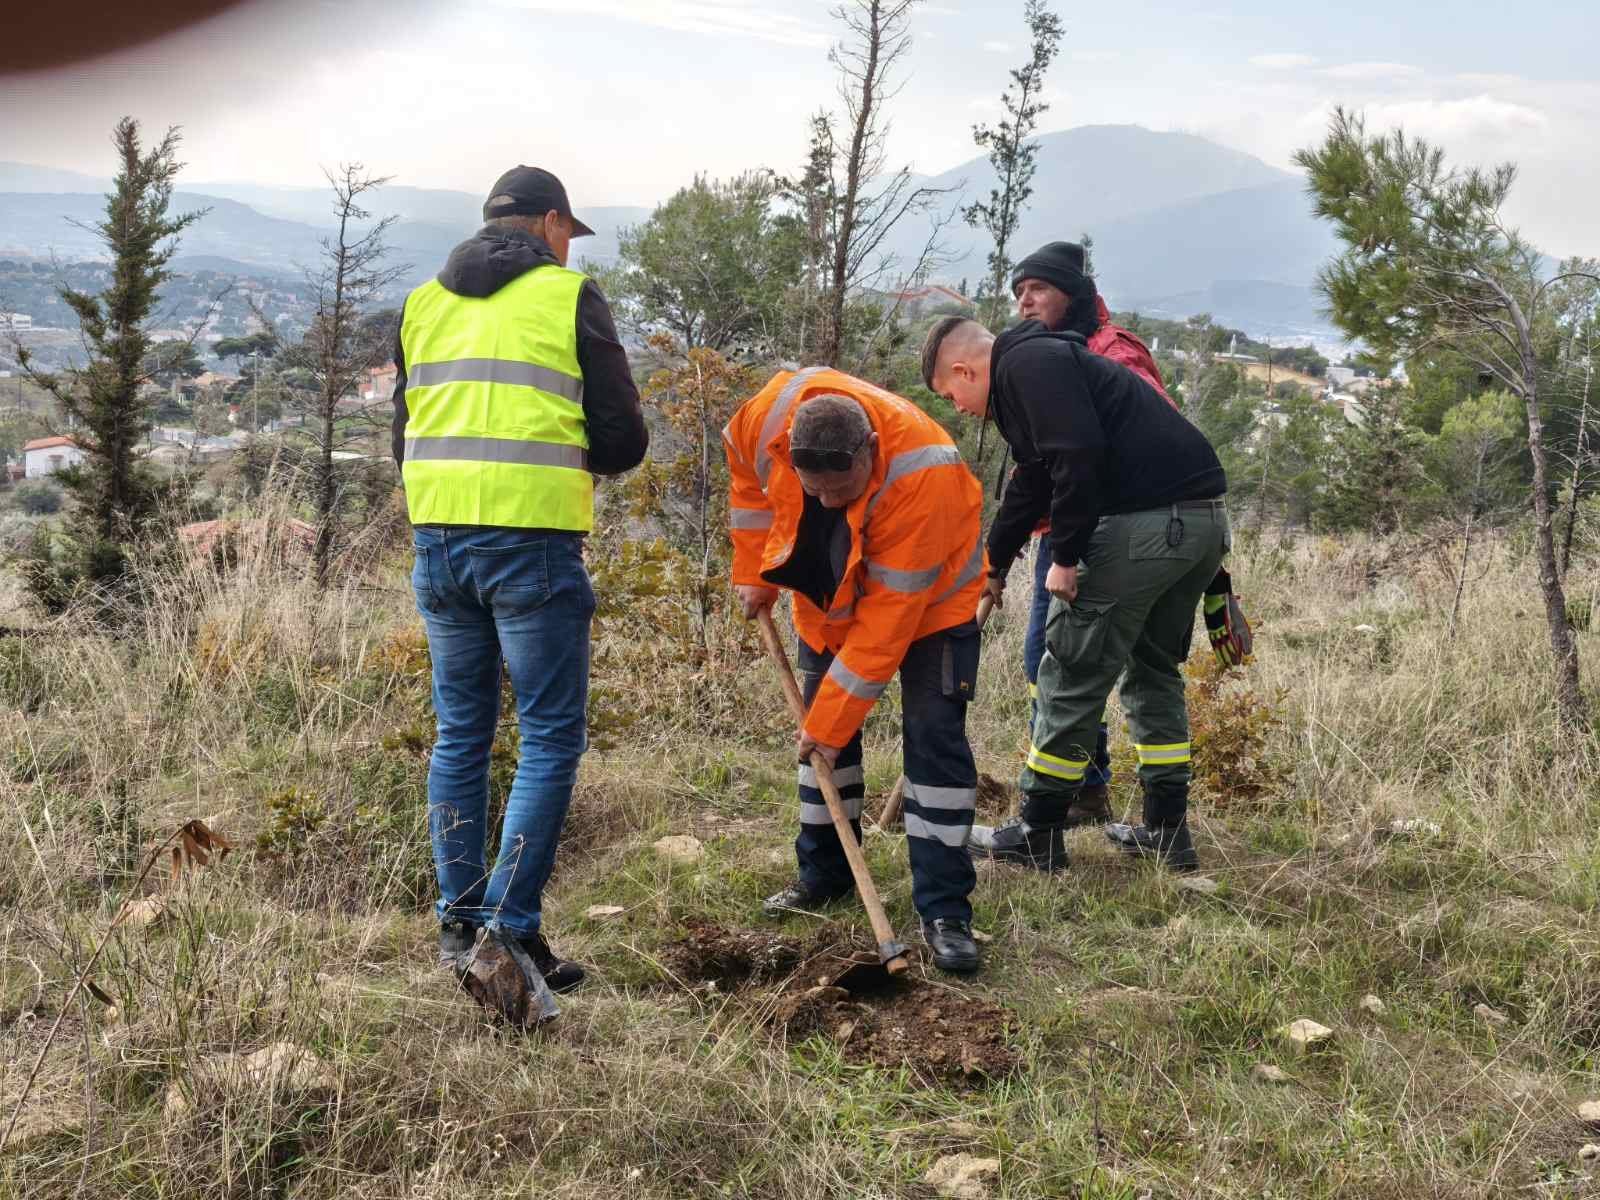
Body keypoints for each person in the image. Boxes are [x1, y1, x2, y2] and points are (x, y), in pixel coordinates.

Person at [392, 166, 648, 1003]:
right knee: (547, 737)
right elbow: (621, 439)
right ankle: (508, 932)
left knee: (461, 733)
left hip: (438, 538)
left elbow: (406, 431)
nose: (569, 245)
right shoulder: (566, 296)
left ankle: (462, 927)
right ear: (547, 223)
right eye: (568, 231)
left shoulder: (424, 303)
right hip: (530, 539)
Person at [921, 317, 1227, 873]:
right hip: (1202, 525)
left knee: (1068, 675)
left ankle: (1038, 833)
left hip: (1141, 530)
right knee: (1152, 668)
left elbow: (1076, 456)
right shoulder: (1047, 370)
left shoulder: (1024, 366)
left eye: (952, 394)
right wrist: (996, 563)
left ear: (966, 370)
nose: (960, 409)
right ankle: (1167, 831)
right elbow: (1035, 477)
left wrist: (1064, 557)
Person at [724, 367, 987, 972]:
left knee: (934, 743)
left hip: (932, 606)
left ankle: (945, 910)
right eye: (813, 490)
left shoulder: (924, 473)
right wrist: (753, 574)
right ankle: (824, 876)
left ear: (870, 450)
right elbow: (746, 487)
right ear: (789, 452)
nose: (826, 502)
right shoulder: (762, 423)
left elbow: (888, 625)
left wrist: (831, 720)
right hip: (825, 597)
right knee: (825, 751)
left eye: (841, 492)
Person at [1010, 241, 1175, 828]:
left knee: (1062, 662)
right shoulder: (1051, 351)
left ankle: (1068, 798)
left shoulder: (1113, 352)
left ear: (1072, 294)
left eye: (1039, 290)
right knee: (1048, 663)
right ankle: (1083, 784)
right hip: (1065, 525)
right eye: (1019, 292)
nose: (1026, 302)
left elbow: (1134, 445)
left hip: (1097, 532)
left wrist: (1081, 537)